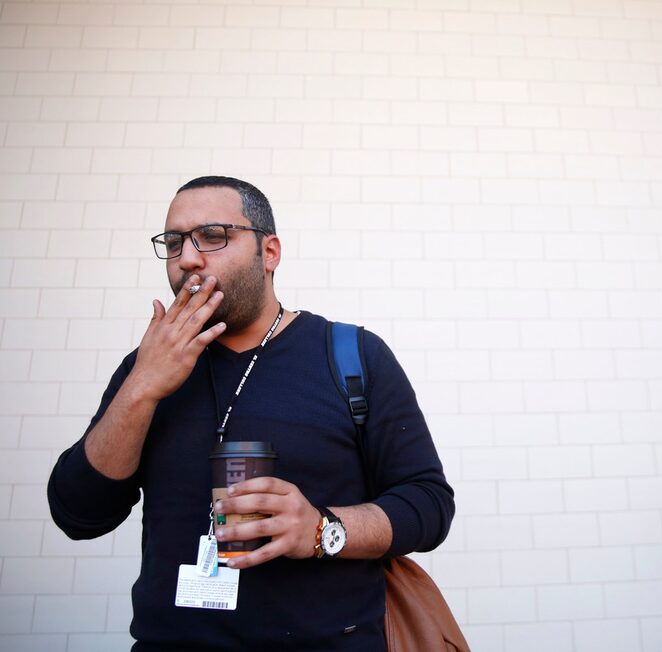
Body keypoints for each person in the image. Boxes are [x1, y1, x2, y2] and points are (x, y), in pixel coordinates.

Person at [48, 176, 455, 652]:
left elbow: (428, 505)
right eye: (174, 242)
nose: (188, 258)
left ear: (270, 253)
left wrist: (322, 529)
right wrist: (141, 387)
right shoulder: (146, 367)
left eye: (214, 236)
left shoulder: (352, 356)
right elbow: (78, 514)